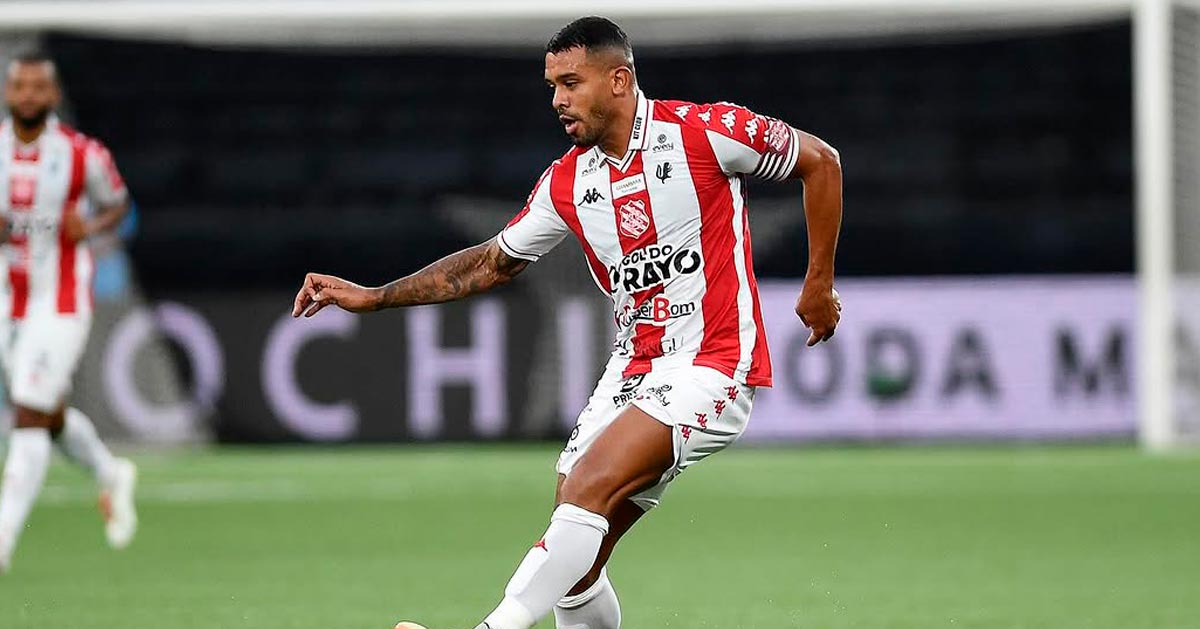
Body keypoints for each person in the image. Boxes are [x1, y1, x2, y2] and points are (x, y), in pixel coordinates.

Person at [292, 16, 842, 629]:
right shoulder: (568, 183)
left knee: (588, 491)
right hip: (634, 368)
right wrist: (375, 297)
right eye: (552, 86)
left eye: (571, 83)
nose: (557, 100)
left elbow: (821, 162)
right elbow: (492, 263)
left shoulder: (704, 133)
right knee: (576, 558)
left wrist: (818, 282)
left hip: (713, 362)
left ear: (619, 80)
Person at [0, 53, 138, 573]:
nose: (28, 95)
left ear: (53, 95)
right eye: (20, 86)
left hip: (60, 300)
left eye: (38, 86)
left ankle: (3, 538)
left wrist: (93, 226)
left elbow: (119, 204)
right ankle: (110, 472)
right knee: (46, 412)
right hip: (8, 300)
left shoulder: (83, 154)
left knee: (28, 411)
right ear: (8, 92)